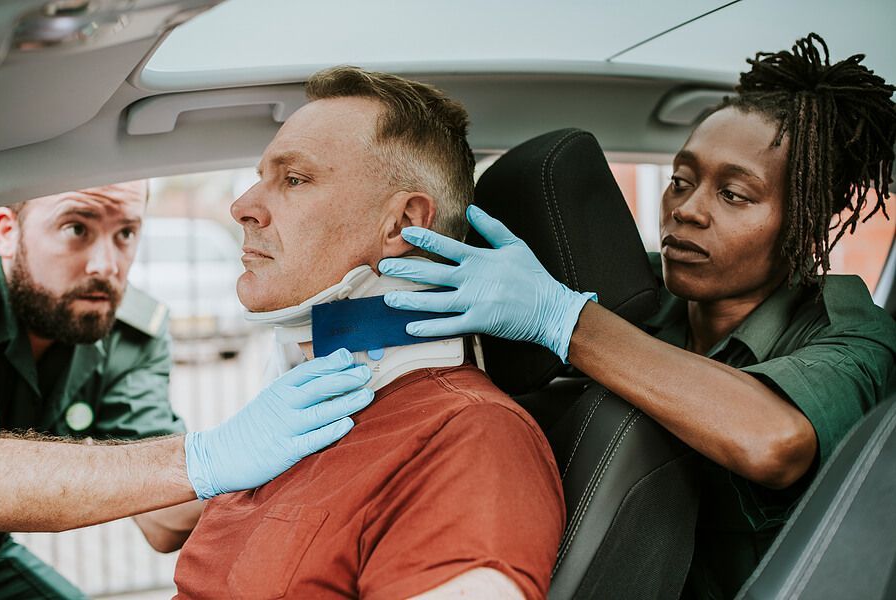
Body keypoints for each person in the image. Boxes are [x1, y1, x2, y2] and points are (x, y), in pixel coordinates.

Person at [380, 34, 896, 598]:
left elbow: (775, 442)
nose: (687, 210)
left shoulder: (856, 338)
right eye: (681, 180)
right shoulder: (633, 289)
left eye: (735, 195)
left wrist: (564, 319)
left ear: (805, 219)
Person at [172, 67, 565, 599]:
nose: (242, 206)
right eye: (258, 176)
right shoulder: (291, 411)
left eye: (293, 179)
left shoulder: (470, 437)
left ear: (403, 223)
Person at [0, 182, 373, 598]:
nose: (106, 265)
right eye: (75, 229)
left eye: (125, 233)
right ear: (6, 232)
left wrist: (303, 472)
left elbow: (164, 520)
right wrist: (206, 456)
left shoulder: (125, 335)